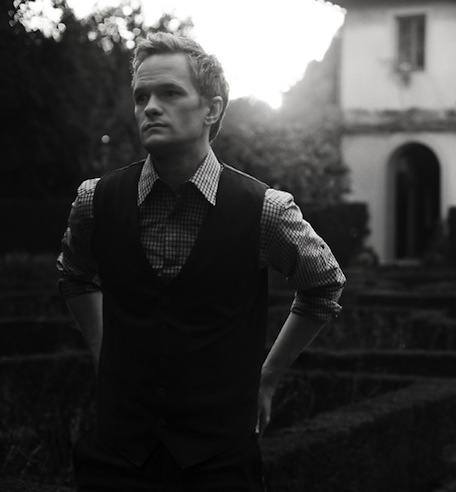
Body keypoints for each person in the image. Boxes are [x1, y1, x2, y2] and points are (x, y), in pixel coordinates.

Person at [57, 32, 345, 491]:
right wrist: (102, 354)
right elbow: (74, 275)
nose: (150, 107)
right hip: (115, 456)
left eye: (170, 93)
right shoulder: (95, 200)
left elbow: (324, 285)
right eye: (141, 96)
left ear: (212, 109)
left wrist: (267, 377)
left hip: (220, 462)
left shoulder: (265, 210)